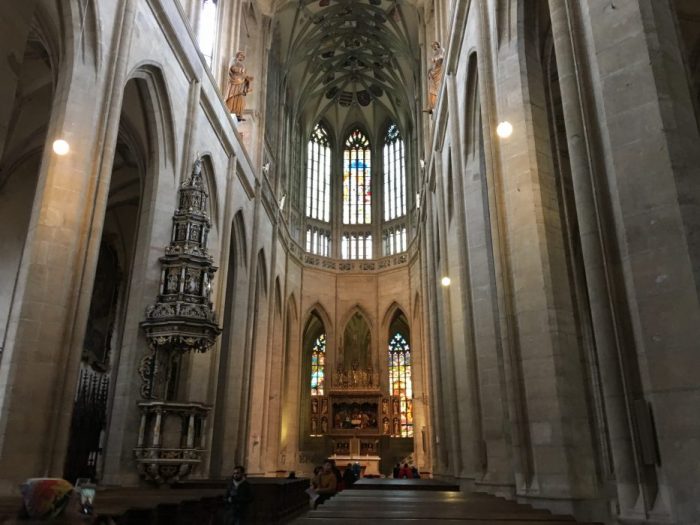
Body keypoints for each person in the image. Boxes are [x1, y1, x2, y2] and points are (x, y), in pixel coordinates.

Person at [225, 51, 253, 119]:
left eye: (243, 57)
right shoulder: (234, 61)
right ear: (237, 55)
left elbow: (243, 74)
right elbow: (232, 69)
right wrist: (240, 71)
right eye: (241, 55)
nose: (242, 57)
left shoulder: (242, 65)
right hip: (234, 82)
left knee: (240, 98)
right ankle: (230, 110)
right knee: (233, 96)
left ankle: (238, 113)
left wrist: (247, 78)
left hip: (241, 83)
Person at [427, 41, 445, 112]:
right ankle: (432, 105)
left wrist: (436, 60)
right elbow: (434, 62)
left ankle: (434, 103)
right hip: (436, 69)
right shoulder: (435, 54)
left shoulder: (441, 50)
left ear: (437, 45)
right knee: (432, 87)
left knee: (437, 83)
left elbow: (441, 58)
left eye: (435, 45)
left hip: (439, 69)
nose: (434, 47)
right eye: (433, 46)